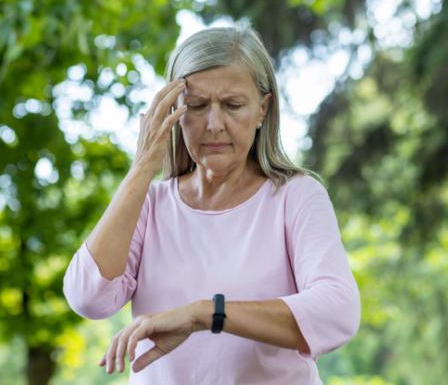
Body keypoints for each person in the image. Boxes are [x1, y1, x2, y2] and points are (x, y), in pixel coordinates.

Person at [63, 24, 361, 385]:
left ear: (263, 109)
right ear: (173, 111)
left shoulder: (295, 196)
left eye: (233, 105)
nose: (214, 124)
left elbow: (337, 312)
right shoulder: (150, 203)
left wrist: (207, 313)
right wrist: (142, 167)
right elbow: (88, 297)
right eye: (196, 106)